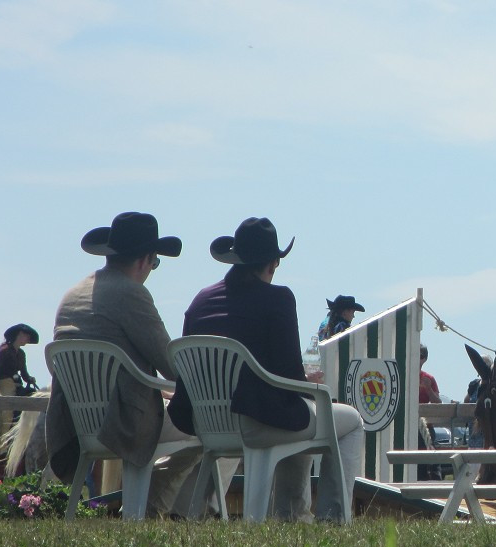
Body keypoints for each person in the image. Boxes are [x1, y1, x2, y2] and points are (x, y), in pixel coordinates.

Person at [167, 217, 364, 522]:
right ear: (272, 264)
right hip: (256, 423)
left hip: (208, 424)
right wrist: (308, 383)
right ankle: (331, 518)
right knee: (348, 421)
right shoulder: (278, 299)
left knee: (296, 409)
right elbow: (288, 376)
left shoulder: (200, 302)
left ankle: (292, 514)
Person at [45, 212, 201, 516]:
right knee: (205, 425)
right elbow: (171, 366)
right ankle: (154, 508)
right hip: (123, 421)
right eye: (155, 263)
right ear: (145, 260)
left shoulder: (72, 294)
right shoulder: (132, 294)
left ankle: (149, 506)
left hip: (75, 420)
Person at [0, 323, 39, 463]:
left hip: (17, 384)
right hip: (5, 383)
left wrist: (29, 379)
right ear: (18, 335)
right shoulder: (4, 351)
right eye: (25, 335)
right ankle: (1, 450)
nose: (27, 339)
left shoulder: (21, 354)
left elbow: (24, 373)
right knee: (7, 415)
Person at [416, 343, 443, 480]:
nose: (416, 358)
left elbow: (438, 403)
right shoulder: (403, 375)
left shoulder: (429, 378)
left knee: (431, 460)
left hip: (425, 426)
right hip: (411, 426)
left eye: (419, 356)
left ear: (424, 359)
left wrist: (428, 389)